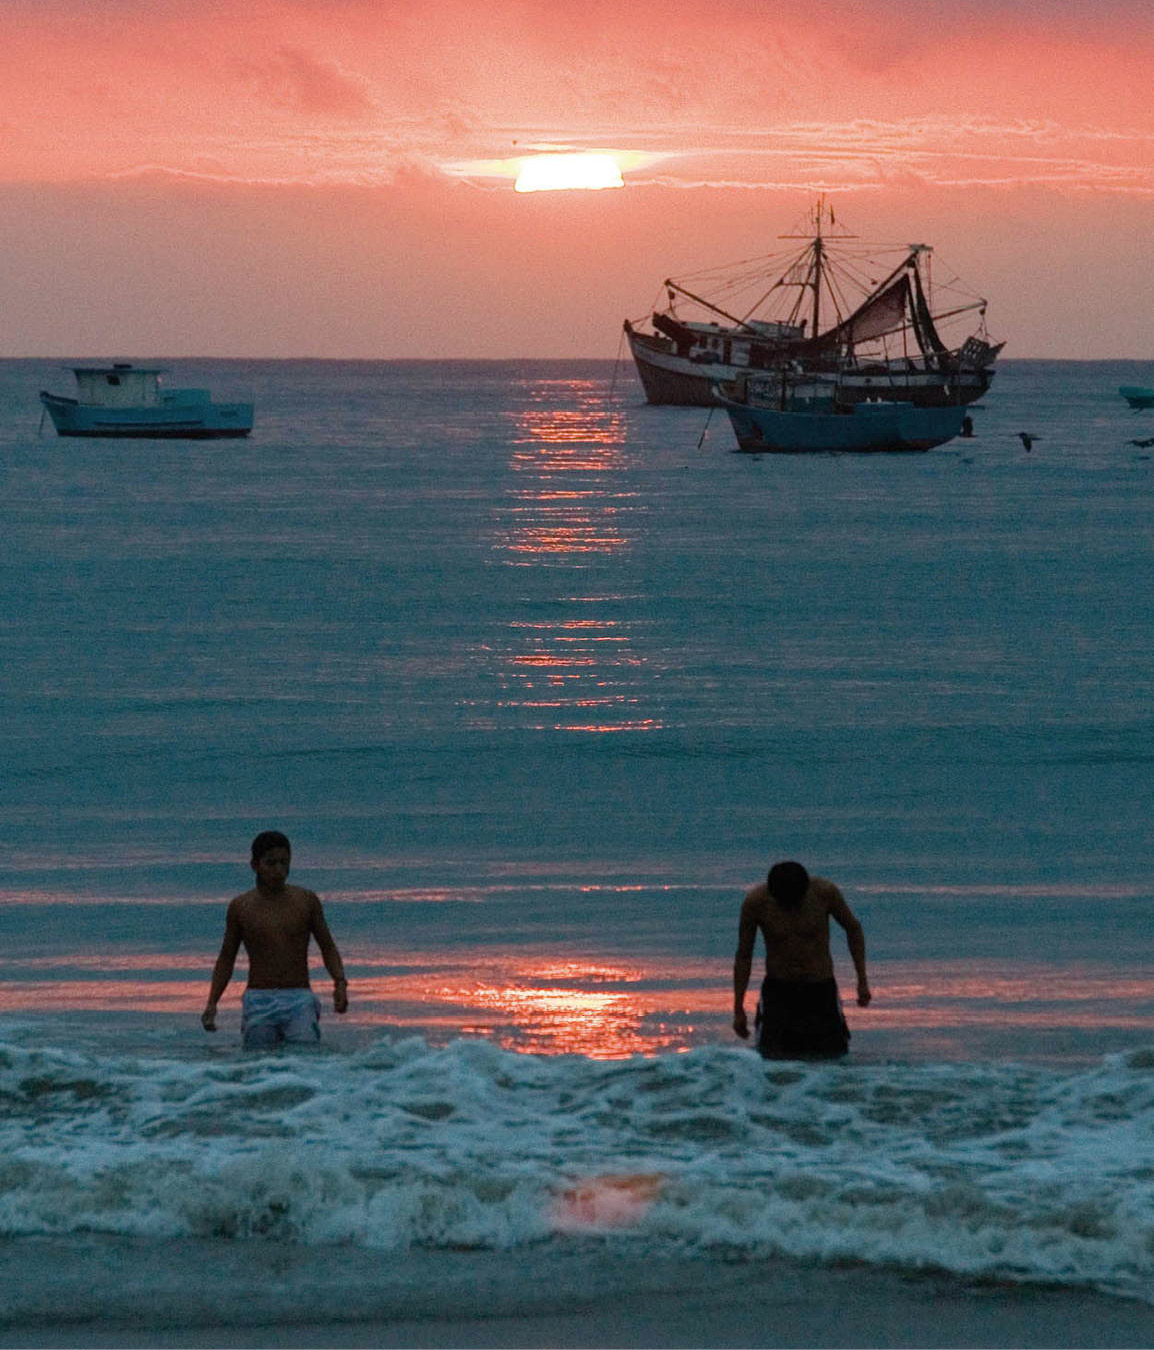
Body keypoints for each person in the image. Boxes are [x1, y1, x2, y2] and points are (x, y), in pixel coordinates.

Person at [202, 831, 349, 1048]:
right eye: (271, 863)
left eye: (284, 863)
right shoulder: (241, 907)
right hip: (259, 998)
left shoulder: (306, 901)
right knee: (258, 1063)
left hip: (299, 997)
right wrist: (212, 1002)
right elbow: (226, 958)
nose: (278, 870)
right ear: (255, 865)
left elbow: (327, 946)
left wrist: (340, 983)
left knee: (306, 1058)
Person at [732, 860, 870, 1059]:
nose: (790, 908)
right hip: (779, 991)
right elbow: (744, 955)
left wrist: (862, 981)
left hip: (820, 988)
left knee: (833, 1056)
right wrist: (738, 1009)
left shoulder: (825, 893)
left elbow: (853, 929)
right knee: (772, 1058)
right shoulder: (755, 903)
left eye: (794, 902)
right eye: (783, 902)